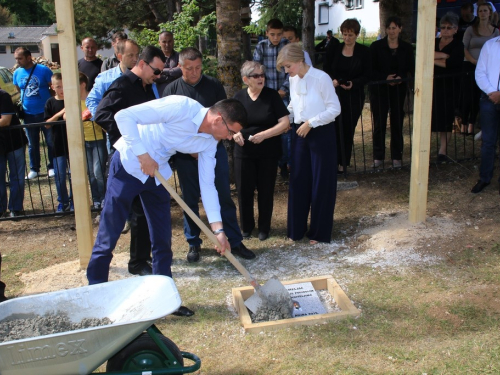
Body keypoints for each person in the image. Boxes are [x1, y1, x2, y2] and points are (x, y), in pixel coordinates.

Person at [86, 96, 247, 284]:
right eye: (230, 131)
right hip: (128, 164)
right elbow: (124, 116)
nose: (229, 138)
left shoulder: (210, 143)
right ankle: (96, 286)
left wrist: (218, 230)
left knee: (162, 238)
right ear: (218, 119)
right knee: (110, 231)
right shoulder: (180, 107)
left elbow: (208, 185)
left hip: (157, 174)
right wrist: (143, 156)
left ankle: (164, 291)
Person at [163, 47, 256, 262]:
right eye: (189, 69)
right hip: (185, 155)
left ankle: (233, 239)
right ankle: (194, 242)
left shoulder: (213, 85)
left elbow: (223, 118)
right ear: (180, 67)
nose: (194, 72)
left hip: (213, 150)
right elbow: (168, 127)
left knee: (222, 195)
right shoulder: (171, 90)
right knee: (190, 199)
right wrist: (191, 149)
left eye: (198, 68)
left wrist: (206, 146)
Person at [94, 46, 165, 277]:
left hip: (147, 162)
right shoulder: (122, 85)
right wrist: (129, 138)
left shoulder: (148, 88)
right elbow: (101, 114)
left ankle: (139, 261)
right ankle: (100, 274)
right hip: (126, 161)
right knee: (121, 217)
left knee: (144, 216)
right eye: (156, 71)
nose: (158, 76)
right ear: (142, 64)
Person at [277, 43, 341, 244]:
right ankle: (296, 230)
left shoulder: (321, 78)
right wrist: (287, 116)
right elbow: (293, 104)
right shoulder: (293, 78)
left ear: (299, 61)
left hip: (321, 133)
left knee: (321, 182)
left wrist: (311, 123)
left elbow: (334, 109)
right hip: (299, 133)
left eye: (289, 66)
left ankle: (319, 233)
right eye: (285, 67)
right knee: (298, 180)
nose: (287, 71)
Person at [232, 61, 290, 241]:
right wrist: (234, 134)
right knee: (244, 191)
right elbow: (229, 123)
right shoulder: (239, 97)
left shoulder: (272, 96)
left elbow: (285, 123)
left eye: (262, 75)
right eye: (255, 76)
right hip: (243, 152)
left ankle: (265, 227)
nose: (260, 78)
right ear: (245, 79)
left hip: (268, 152)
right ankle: (246, 227)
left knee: (266, 191)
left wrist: (265, 134)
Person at [325, 18, 371, 174]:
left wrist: (353, 83)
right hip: (335, 94)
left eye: (350, 35)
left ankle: (343, 162)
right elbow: (327, 68)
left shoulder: (364, 52)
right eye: (344, 34)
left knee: (348, 129)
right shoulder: (335, 49)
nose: (347, 38)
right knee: (335, 128)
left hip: (354, 96)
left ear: (356, 35)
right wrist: (333, 80)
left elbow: (367, 75)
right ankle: (333, 161)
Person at [370, 16, 415, 169]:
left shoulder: (407, 48)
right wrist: (385, 78)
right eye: (389, 28)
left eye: (394, 27)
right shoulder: (376, 47)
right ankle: (378, 156)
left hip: (398, 91)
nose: (391, 31)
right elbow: (371, 69)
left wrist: (401, 78)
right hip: (380, 91)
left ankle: (397, 156)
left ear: (400, 29)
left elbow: (411, 68)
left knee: (397, 123)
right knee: (379, 124)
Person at [253, 18, 290, 179]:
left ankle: (284, 165)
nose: (276, 38)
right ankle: (270, 166)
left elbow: (292, 71)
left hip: (285, 95)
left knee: (286, 133)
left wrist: (284, 89)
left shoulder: (287, 46)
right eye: (272, 34)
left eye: (279, 34)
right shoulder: (261, 47)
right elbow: (256, 70)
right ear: (267, 33)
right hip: (267, 96)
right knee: (268, 130)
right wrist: (266, 91)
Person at [13, 47, 54, 180]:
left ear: (29, 57)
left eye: (20, 58)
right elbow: (18, 89)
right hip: (28, 113)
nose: (18, 61)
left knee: (50, 141)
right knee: (32, 143)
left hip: (44, 112)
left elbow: (53, 87)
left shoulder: (44, 70)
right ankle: (34, 168)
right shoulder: (17, 73)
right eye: (16, 59)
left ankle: (52, 166)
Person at [461, 3, 499, 136]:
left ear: (490, 13)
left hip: (487, 70)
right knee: (468, 96)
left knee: (479, 96)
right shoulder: (471, 29)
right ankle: (464, 124)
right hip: (470, 65)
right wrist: (473, 60)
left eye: (485, 11)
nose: (483, 13)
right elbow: (463, 47)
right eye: (480, 11)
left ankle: (473, 125)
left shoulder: (495, 31)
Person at [432, 12, 464, 163]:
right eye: (443, 27)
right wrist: (443, 56)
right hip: (433, 85)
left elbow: (452, 64)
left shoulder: (458, 44)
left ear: (455, 29)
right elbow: (423, 55)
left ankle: (443, 151)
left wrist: (433, 58)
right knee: (433, 117)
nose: (445, 30)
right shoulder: (433, 41)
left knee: (446, 118)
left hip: (450, 86)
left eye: (449, 28)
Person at [470, 33, 500, 194]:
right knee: (488, 142)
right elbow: (480, 73)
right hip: (489, 99)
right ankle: (484, 178)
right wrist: (492, 92)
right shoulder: (489, 45)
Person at [87, 39, 140, 119]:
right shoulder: (105, 78)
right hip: (114, 127)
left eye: (137, 55)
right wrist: (103, 120)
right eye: (131, 55)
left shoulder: (143, 77)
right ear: (119, 56)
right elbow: (92, 100)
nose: (135, 59)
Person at [44, 73, 72, 213]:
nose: (62, 89)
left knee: (74, 176)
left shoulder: (71, 100)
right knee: (60, 176)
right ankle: (63, 201)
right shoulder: (50, 102)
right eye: (58, 86)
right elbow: (47, 124)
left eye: (63, 86)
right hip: (57, 144)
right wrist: (60, 113)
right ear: (52, 87)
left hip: (72, 144)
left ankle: (74, 201)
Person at [80, 72, 107, 209]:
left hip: (97, 140)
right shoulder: (73, 102)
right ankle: (96, 199)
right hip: (83, 141)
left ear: (83, 84)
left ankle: (104, 198)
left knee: (98, 172)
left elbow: (102, 115)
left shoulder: (93, 99)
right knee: (90, 173)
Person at [0, 88, 27, 218]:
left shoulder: (3, 95)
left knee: (16, 177)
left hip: (14, 142)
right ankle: (1, 209)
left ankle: (15, 208)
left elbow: (6, 120)